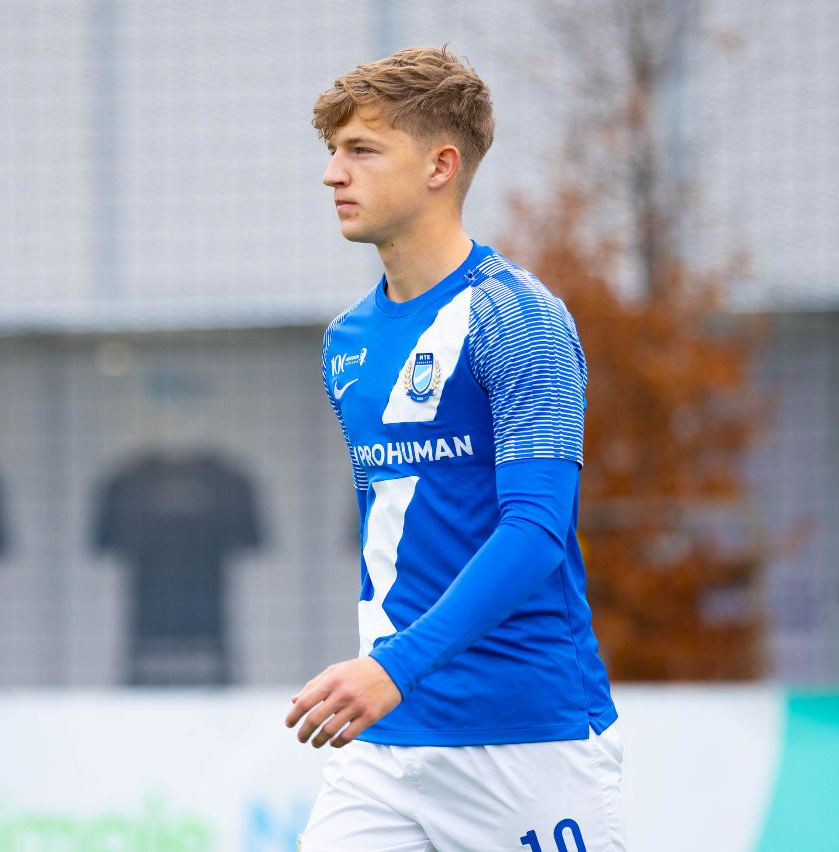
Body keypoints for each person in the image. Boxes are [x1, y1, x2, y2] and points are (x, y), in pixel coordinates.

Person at [285, 46, 626, 850]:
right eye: (332, 152)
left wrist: (394, 668)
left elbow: (536, 531)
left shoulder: (519, 320)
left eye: (362, 150)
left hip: (525, 739)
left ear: (441, 165)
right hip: (383, 743)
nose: (333, 174)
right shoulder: (346, 342)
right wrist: (390, 673)